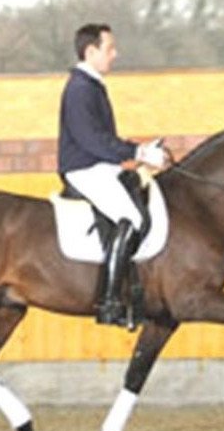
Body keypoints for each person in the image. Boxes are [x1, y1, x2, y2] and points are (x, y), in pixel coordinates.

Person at [57, 23, 165, 327]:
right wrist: (138, 154)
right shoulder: (80, 88)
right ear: (90, 51)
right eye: (109, 49)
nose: (115, 55)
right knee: (134, 219)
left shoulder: (91, 85)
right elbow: (91, 140)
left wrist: (140, 150)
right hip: (84, 169)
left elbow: (104, 139)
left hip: (99, 166)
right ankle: (109, 303)